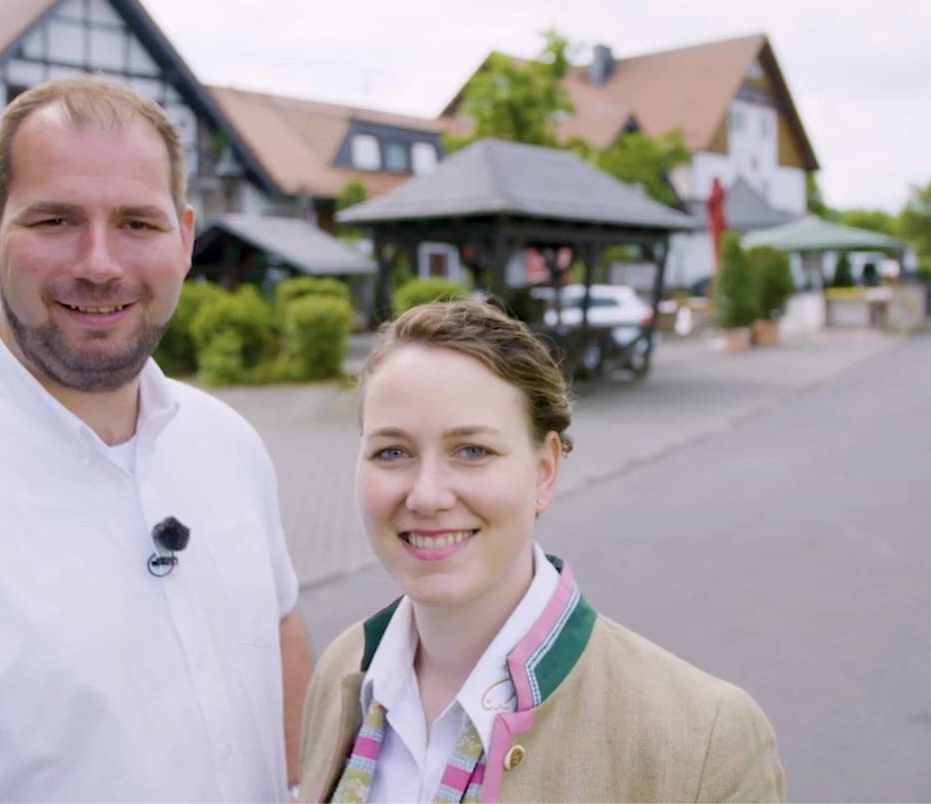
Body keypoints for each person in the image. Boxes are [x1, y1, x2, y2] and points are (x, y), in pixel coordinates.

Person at [0, 77, 312, 801]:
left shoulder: (229, 444)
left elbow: (279, 630)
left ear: (183, 238)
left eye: (137, 223)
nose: (99, 263)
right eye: (55, 220)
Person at [299, 300, 783, 802]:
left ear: (545, 472)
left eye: (473, 451)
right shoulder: (344, 672)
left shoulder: (702, 739)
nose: (426, 496)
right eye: (392, 452)